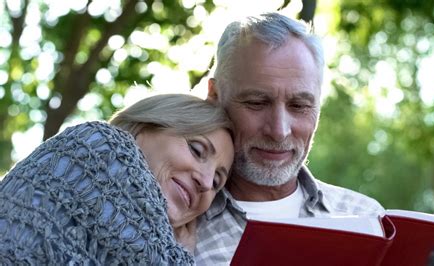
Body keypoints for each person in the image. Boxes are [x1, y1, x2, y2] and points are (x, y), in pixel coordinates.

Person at [195, 12, 385, 264]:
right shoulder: (172, 224)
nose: (279, 130)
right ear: (215, 95)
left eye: (299, 106)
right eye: (257, 103)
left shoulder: (369, 220)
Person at [0, 93, 234, 264]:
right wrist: (181, 254)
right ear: (145, 127)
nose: (205, 182)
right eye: (196, 149)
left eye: (216, 182)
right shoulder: (98, 145)